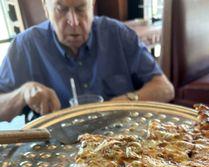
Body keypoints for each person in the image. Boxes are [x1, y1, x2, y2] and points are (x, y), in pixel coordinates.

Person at [0, 0, 174, 122]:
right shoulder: (26, 45)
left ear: (92, 5)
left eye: (81, 8)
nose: (74, 22)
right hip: (56, 150)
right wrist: (23, 93)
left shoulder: (118, 34)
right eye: (61, 9)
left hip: (121, 140)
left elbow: (165, 89)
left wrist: (120, 104)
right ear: (46, 8)